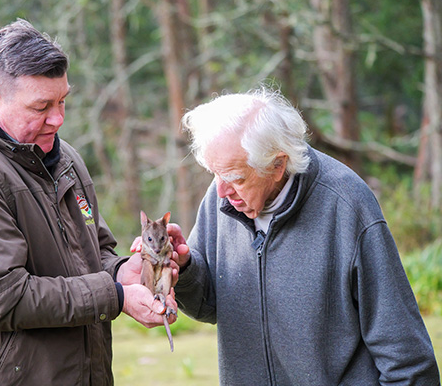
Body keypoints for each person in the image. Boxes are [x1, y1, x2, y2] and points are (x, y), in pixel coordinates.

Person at [0, 18, 175, 386]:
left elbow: (93, 250)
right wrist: (114, 296)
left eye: (63, 100)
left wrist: (124, 273)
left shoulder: (66, 161)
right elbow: (2, 297)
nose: (58, 118)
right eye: (41, 107)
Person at [134, 87, 440, 384]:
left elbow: (408, 362)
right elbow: (210, 307)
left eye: (235, 178)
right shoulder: (221, 197)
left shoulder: (347, 205)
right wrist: (186, 268)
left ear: (278, 165)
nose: (222, 192)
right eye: (215, 175)